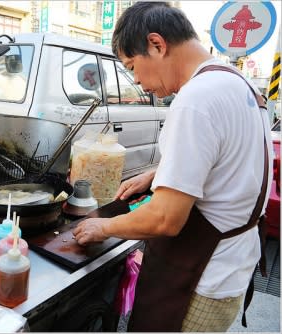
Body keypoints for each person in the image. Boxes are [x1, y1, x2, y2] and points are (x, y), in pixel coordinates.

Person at [72, 2, 273, 332]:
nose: (137, 81)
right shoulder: (237, 82)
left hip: (201, 281)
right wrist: (157, 175)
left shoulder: (195, 99)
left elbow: (165, 218)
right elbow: (229, 159)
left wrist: (103, 228)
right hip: (233, 266)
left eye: (132, 66)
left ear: (157, 44)